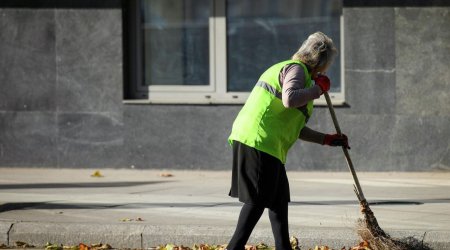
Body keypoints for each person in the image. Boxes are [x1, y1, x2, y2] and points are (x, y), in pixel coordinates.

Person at [226, 31, 350, 250]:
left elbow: (296, 128)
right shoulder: (296, 69)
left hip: (269, 145)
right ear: (320, 62)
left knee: (278, 202)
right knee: (257, 201)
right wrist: (318, 89)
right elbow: (289, 99)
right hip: (258, 140)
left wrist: (327, 139)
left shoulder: (302, 76)